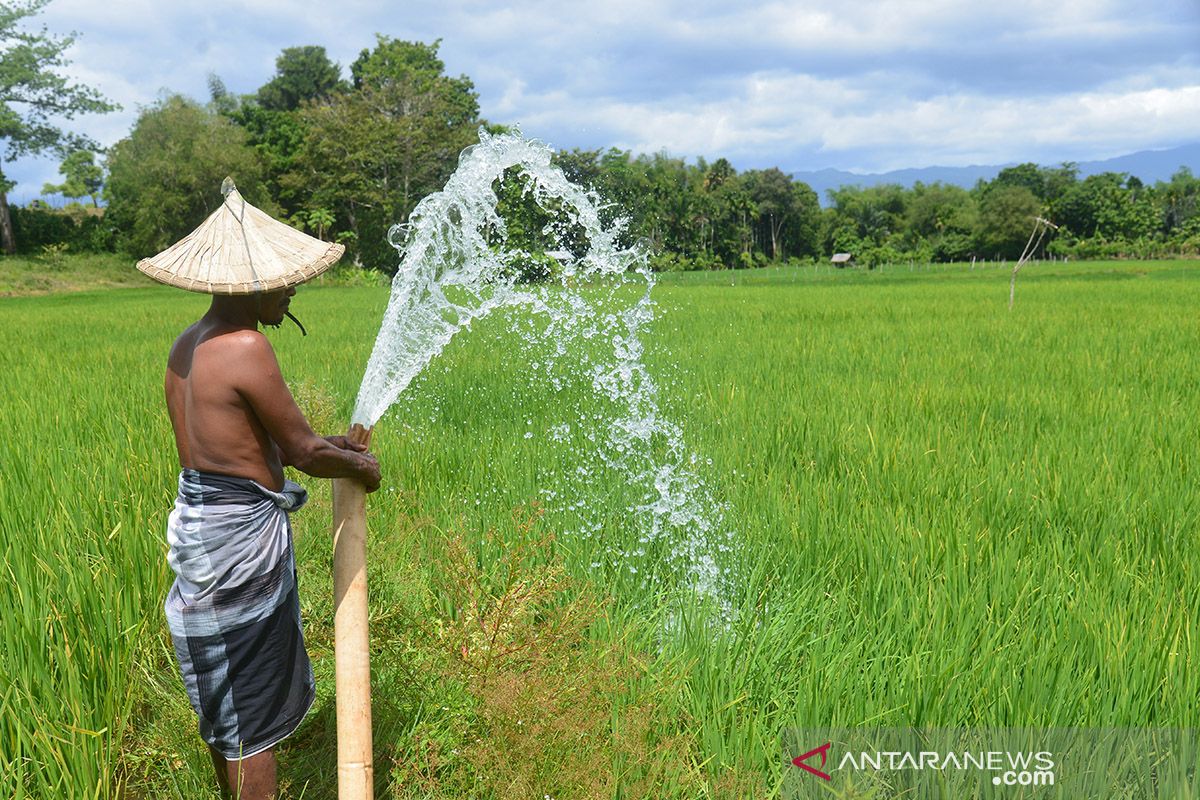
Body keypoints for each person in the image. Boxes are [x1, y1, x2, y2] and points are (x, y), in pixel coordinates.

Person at [138, 179, 376, 799]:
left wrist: (333, 446)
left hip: (201, 529)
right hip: (238, 543)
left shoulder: (186, 345)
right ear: (249, 283)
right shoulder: (246, 345)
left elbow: (244, 446)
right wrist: (358, 467)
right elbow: (298, 452)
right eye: (283, 279)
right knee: (255, 717)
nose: (292, 287)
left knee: (228, 705)